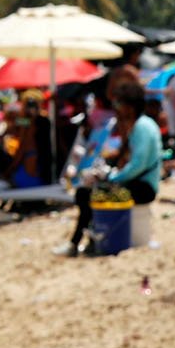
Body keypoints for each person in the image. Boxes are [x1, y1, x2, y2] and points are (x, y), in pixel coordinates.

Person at [62, 77, 161, 256]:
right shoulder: (140, 125)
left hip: (143, 188)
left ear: (129, 105)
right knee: (88, 193)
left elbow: (138, 165)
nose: (115, 108)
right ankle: (83, 240)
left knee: (87, 194)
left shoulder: (142, 127)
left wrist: (112, 179)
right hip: (139, 184)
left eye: (118, 103)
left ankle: (76, 243)